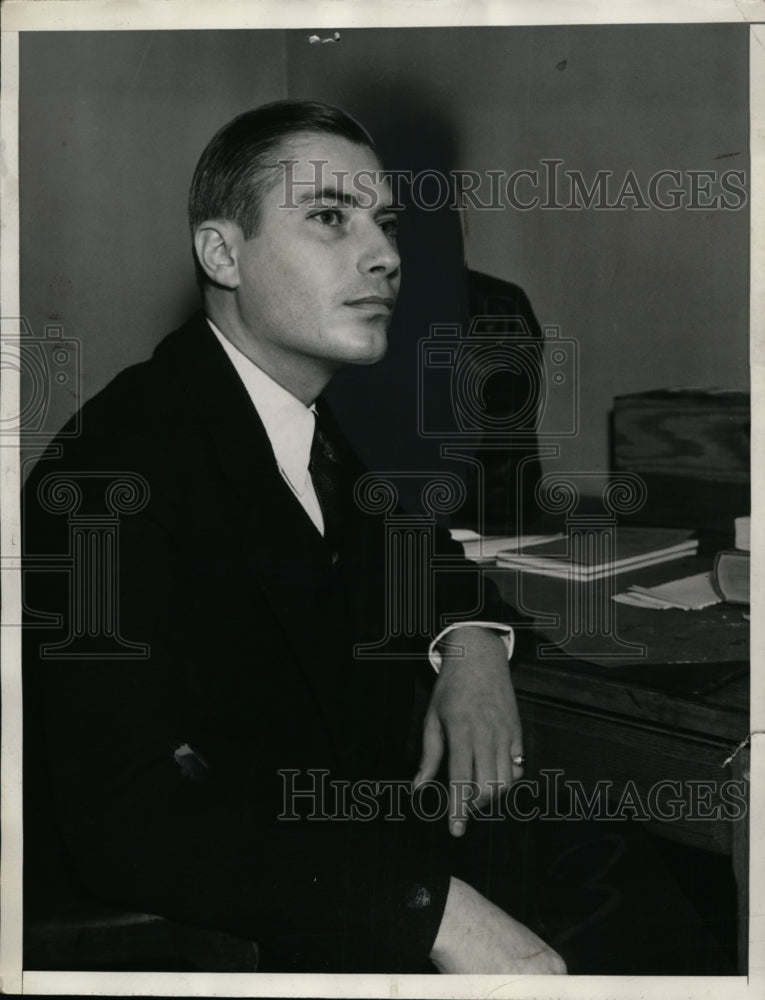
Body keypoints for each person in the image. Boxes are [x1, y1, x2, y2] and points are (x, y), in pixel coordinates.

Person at [22, 100, 567, 975]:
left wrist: (472, 643)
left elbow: (406, 540)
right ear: (222, 253)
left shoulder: (286, 416)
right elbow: (128, 823)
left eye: (384, 221)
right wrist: (435, 914)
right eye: (328, 217)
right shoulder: (109, 472)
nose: (386, 253)